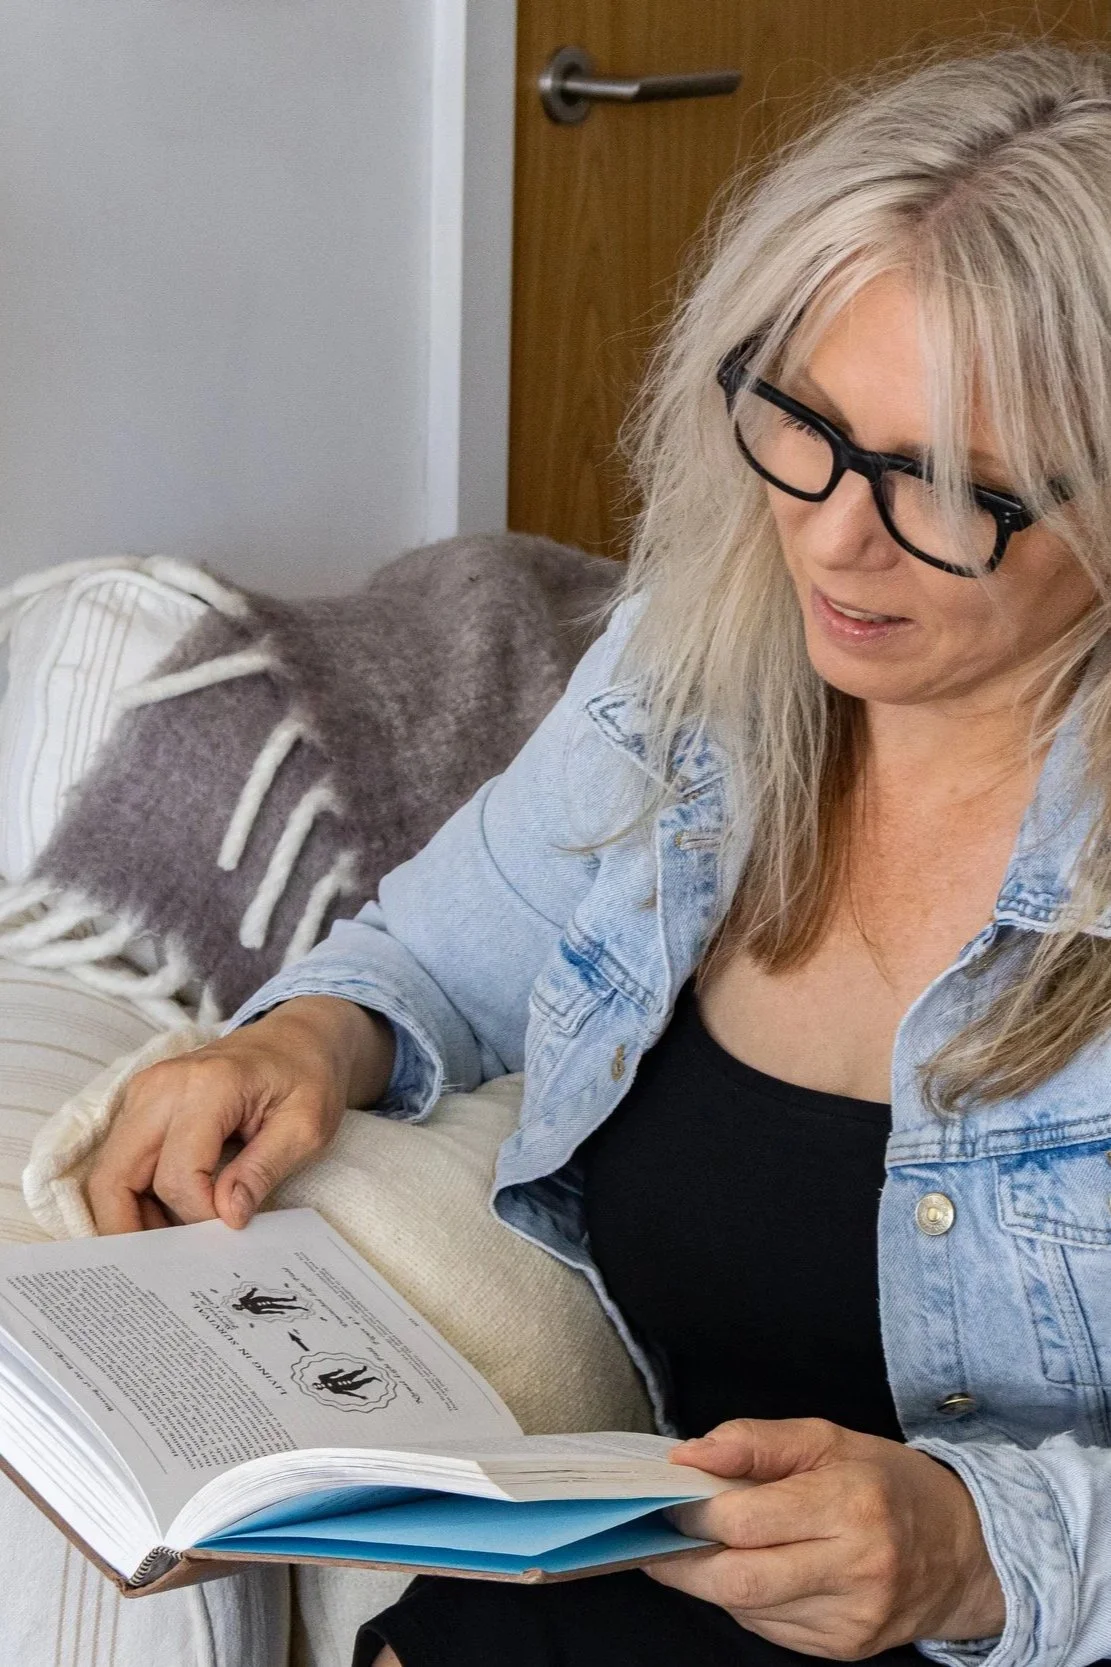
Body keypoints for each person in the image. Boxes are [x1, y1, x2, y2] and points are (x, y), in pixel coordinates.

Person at [85, 40, 1111, 1667]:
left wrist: (981, 1551)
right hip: (684, 1592)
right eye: (806, 427)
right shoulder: (697, 673)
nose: (833, 538)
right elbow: (446, 944)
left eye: (948, 490)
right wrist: (312, 1034)